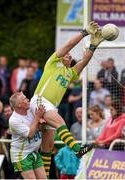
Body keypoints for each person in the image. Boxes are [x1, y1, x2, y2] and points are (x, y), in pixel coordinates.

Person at [29, 21, 104, 177]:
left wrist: (93, 45)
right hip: (40, 101)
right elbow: (69, 44)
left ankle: (45, 177)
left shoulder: (70, 73)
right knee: (61, 123)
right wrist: (85, 32)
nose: (69, 54)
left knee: (47, 148)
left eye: (71, 55)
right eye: (67, 53)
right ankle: (78, 150)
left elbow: (84, 61)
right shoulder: (52, 63)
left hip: (52, 107)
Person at [9, 92, 47, 179]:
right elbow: (30, 134)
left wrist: (41, 123)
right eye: (24, 99)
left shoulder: (30, 109)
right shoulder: (14, 120)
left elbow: (41, 127)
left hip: (34, 152)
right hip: (21, 156)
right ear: (19, 105)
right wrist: (37, 118)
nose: (28, 100)